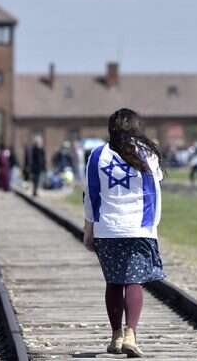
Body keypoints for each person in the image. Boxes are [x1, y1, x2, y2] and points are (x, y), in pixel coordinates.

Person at [82, 108, 165, 357]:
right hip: (139, 227)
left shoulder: (97, 155)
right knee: (134, 280)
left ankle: (116, 336)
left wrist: (89, 229)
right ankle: (131, 333)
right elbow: (157, 182)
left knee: (114, 281)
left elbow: (90, 195)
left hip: (107, 228)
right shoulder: (147, 154)